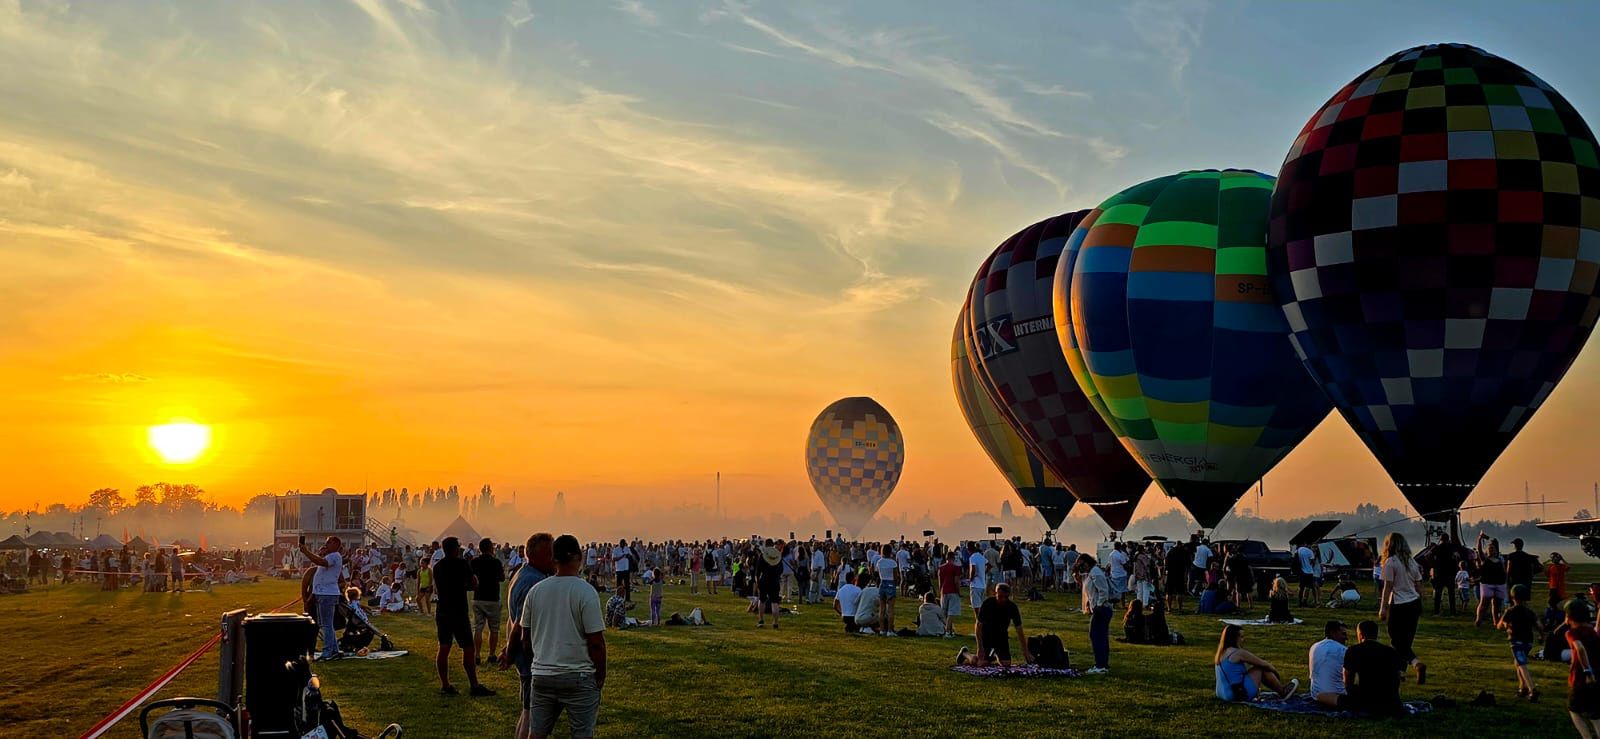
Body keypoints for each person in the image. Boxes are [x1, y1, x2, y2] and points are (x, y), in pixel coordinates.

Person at [520, 534, 606, 739]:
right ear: (579, 557)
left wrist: (539, 662)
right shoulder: (585, 592)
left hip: (542, 674)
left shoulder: (536, 591)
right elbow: (596, 642)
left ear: (554, 559)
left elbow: (525, 638)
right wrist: (600, 674)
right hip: (578, 674)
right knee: (582, 734)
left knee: (536, 733)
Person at [501, 533, 555, 739]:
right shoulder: (534, 582)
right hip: (531, 658)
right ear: (535, 556)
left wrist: (508, 649)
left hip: (524, 656)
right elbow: (520, 627)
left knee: (528, 711)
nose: (554, 559)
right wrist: (511, 653)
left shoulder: (522, 573)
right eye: (550, 554)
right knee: (531, 716)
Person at [433, 537, 494, 696]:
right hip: (459, 611)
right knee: (468, 648)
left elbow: (439, 588)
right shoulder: (461, 564)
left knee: (444, 647)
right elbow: (474, 583)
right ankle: (474, 685)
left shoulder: (437, 567)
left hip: (442, 610)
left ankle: (445, 685)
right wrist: (464, 586)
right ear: (455, 549)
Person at [1378, 531, 1427, 685]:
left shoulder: (1390, 562)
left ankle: (1415, 663)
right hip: (1414, 603)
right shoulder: (1412, 562)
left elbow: (1388, 587)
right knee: (1406, 639)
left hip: (1399, 603)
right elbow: (1419, 585)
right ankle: (1400, 672)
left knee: (1396, 639)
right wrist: (1421, 602)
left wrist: (1383, 608)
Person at [1213, 624, 1299, 702]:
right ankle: (1283, 691)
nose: (1243, 640)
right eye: (1241, 637)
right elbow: (1263, 664)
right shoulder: (1238, 653)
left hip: (1221, 694)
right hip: (1237, 695)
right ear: (1234, 638)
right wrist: (1275, 672)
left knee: (1252, 670)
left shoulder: (1220, 653)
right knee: (1260, 668)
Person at [1343, 620, 1403, 716]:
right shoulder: (1391, 651)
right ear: (1376, 634)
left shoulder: (1354, 650)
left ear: (1360, 635)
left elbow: (1348, 678)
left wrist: (1350, 695)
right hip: (1391, 702)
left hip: (1368, 702)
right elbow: (1397, 678)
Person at [300, 536, 345, 661]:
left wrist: (306, 552)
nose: (326, 545)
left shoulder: (334, 556)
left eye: (329, 543)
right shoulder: (330, 556)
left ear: (336, 544)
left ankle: (327, 652)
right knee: (326, 624)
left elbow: (321, 562)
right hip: (323, 594)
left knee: (326, 625)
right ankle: (334, 650)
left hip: (327, 594)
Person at [967, 583, 1031, 667]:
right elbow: (978, 626)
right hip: (986, 636)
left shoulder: (1012, 607)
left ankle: (993, 655)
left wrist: (1026, 651)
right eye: (1000, 596)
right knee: (981, 664)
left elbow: (1019, 630)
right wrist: (980, 647)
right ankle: (966, 654)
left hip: (1001, 637)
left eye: (1006, 597)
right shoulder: (988, 603)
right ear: (995, 593)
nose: (1003, 599)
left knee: (1006, 664)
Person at [1498, 584, 1540, 702]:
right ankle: (1522, 688)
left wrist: (1502, 621)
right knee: (1517, 663)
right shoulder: (1529, 612)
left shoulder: (1510, 611)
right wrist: (1541, 634)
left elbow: (1499, 625)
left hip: (1516, 642)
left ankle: (1532, 689)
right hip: (1528, 642)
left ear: (1512, 597)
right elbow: (1539, 625)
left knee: (1522, 664)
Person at [472, 538, 506, 668]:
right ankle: (491, 654)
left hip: (478, 597)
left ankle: (477, 655)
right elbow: (502, 578)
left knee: (478, 628)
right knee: (494, 629)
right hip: (493, 598)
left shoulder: (474, 562)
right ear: (491, 548)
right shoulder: (496, 562)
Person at [1082, 555, 1112, 674]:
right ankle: (1102, 663)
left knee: (1096, 636)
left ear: (1087, 563)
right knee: (1100, 636)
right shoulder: (1092, 573)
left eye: (1082, 564)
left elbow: (1103, 590)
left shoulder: (1095, 573)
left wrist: (1099, 604)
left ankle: (1100, 665)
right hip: (1099, 608)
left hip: (1102, 609)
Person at [1309, 620, 1348, 709]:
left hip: (1315, 694)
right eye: (1343, 634)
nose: (1346, 638)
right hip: (1337, 695)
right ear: (1333, 633)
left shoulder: (1314, 646)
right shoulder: (1343, 650)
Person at [1476, 533, 1508, 627]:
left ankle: (1496, 621)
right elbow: (1479, 550)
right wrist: (1479, 539)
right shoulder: (1485, 560)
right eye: (1489, 549)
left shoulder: (1500, 561)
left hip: (1499, 584)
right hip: (1487, 584)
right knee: (1484, 603)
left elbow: (1504, 572)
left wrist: (1504, 581)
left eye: (1493, 548)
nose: (1491, 550)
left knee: (1497, 604)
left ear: (1496, 550)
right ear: (1487, 551)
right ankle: (1479, 620)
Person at [755, 540, 783, 629]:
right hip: (774, 581)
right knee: (775, 602)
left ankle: (761, 620)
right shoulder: (777, 556)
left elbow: (757, 571)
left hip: (764, 580)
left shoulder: (763, 556)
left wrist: (757, 582)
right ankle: (775, 622)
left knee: (762, 600)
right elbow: (781, 570)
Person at [936, 551, 961, 636]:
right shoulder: (956, 568)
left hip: (944, 591)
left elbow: (940, 581)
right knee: (951, 613)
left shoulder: (941, 568)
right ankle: (947, 631)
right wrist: (959, 592)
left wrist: (940, 592)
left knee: (945, 612)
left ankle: (950, 630)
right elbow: (956, 581)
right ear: (953, 558)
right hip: (953, 591)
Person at [967, 543, 988, 611]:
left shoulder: (972, 557)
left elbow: (973, 569)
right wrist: (984, 572)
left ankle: (978, 618)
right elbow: (989, 565)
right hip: (983, 585)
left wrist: (971, 579)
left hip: (975, 585)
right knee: (982, 606)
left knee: (976, 607)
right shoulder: (981, 556)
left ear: (969, 549)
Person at [1296, 541, 1317, 607]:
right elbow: (1312, 562)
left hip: (1301, 571)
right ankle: (1305, 601)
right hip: (1309, 571)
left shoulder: (1299, 550)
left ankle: (1300, 602)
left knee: (1301, 588)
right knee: (1309, 587)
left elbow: (1295, 558)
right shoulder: (1310, 551)